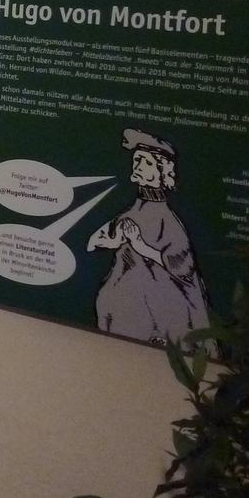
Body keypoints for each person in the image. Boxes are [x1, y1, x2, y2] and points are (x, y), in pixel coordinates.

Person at [86, 128, 209, 344]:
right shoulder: (132, 211)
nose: (139, 166)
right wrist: (111, 241)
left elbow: (182, 267)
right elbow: (93, 242)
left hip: (158, 306)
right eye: (137, 160)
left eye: (147, 162)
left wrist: (139, 244)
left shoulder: (167, 220)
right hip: (123, 300)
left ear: (162, 171)